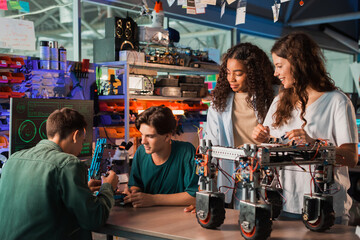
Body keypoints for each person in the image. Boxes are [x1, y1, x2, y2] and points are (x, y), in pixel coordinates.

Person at [252, 32, 358, 225]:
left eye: (279, 66)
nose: (275, 73)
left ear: (298, 63)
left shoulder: (337, 101)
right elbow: (272, 147)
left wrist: (313, 143)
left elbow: (351, 158)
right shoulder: (278, 101)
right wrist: (263, 138)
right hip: (284, 205)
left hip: (326, 209)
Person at [0, 108, 119, 239]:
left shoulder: (13, 159)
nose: (81, 147)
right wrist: (108, 187)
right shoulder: (68, 163)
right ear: (75, 136)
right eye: (83, 140)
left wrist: (84, 191)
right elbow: (94, 219)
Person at [204, 42, 279, 207]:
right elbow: (212, 143)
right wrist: (206, 195)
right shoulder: (220, 100)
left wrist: (269, 138)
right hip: (234, 175)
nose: (231, 79)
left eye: (238, 73)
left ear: (254, 74)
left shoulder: (276, 95)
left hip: (267, 173)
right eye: (228, 72)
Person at [124, 106, 199, 209]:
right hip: (146, 217)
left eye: (150, 136)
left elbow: (194, 196)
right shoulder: (141, 152)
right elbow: (136, 184)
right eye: (142, 135)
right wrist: (134, 193)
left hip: (178, 217)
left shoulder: (186, 152)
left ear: (167, 136)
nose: (143, 141)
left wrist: (153, 199)